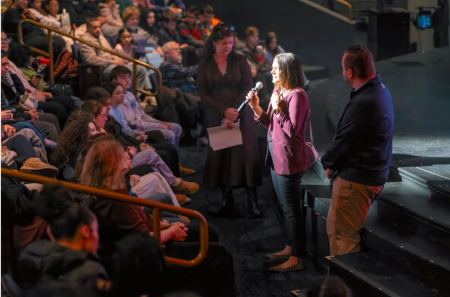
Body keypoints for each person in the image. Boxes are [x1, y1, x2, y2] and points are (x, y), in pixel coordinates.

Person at [79, 140, 235, 297]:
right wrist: (172, 231)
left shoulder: (109, 189)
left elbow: (140, 221)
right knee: (221, 255)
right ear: (111, 167)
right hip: (149, 259)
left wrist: (162, 226)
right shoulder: (114, 201)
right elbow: (144, 240)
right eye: (122, 159)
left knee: (209, 231)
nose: (128, 165)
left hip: (147, 248)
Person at [321, 45, 394, 256]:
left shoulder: (363, 101)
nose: (342, 71)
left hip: (356, 182)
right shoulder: (379, 90)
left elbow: (345, 138)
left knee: (344, 241)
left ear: (350, 72)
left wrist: (328, 162)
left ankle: (344, 287)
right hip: (365, 176)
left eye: (343, 67)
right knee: (336, 231)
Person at [248, 53, 309, 272]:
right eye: (272, 68)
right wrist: (257, 108)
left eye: (276, 68)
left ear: (287, 71)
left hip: (289, 161)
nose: (272, 71)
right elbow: (273, 126)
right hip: (276, 158)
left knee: (292, 210)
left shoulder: (297, 95)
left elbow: (292, 132)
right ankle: (289, 247)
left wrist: (280, 108)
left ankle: (297, 257)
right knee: (284, 208)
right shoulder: (279, 92)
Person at [197, 23, 262, 217]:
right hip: (219, 115)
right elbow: (204, 94)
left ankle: (253, 201)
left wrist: (235, 111)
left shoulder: (241, 60)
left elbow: (248, 87)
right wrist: (224, 111)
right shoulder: (205, 64)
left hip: (242, 113)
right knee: (223, 157)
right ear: (214, 43)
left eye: (231, 43)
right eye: (224, 43)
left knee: (246, 155)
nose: (228, 46)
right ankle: (227, 201)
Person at [18, 184, 108, 294]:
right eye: (95, 230)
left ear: (49, 232)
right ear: (86, 232)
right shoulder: (90, 275)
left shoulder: (29, 256)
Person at [110, 65, 183, 148]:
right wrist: (158, 126)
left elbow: (142, 115)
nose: (127, 80)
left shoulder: (129, 95)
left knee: (177, 128)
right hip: (138, 130)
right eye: (123, 77)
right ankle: (168, 157)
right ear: (114, 81)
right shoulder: (119, 100)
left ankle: (173, 155)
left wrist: (159, 122)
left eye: (129, 77)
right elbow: (135, 124)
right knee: (170, 134)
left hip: (143, 124)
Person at [79, 17, 153, 95]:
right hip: (101, 69)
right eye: (94, 27)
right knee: (126, 72)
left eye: (99, 27)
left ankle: (138, 96)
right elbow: (91, 60)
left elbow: (111, 52)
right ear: (87, 28)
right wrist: (112, 61)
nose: (98, 29)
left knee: (141, 69)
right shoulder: (84, 41)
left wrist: (119, 60)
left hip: (113, 64)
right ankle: (127, 97)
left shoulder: (101, 37)